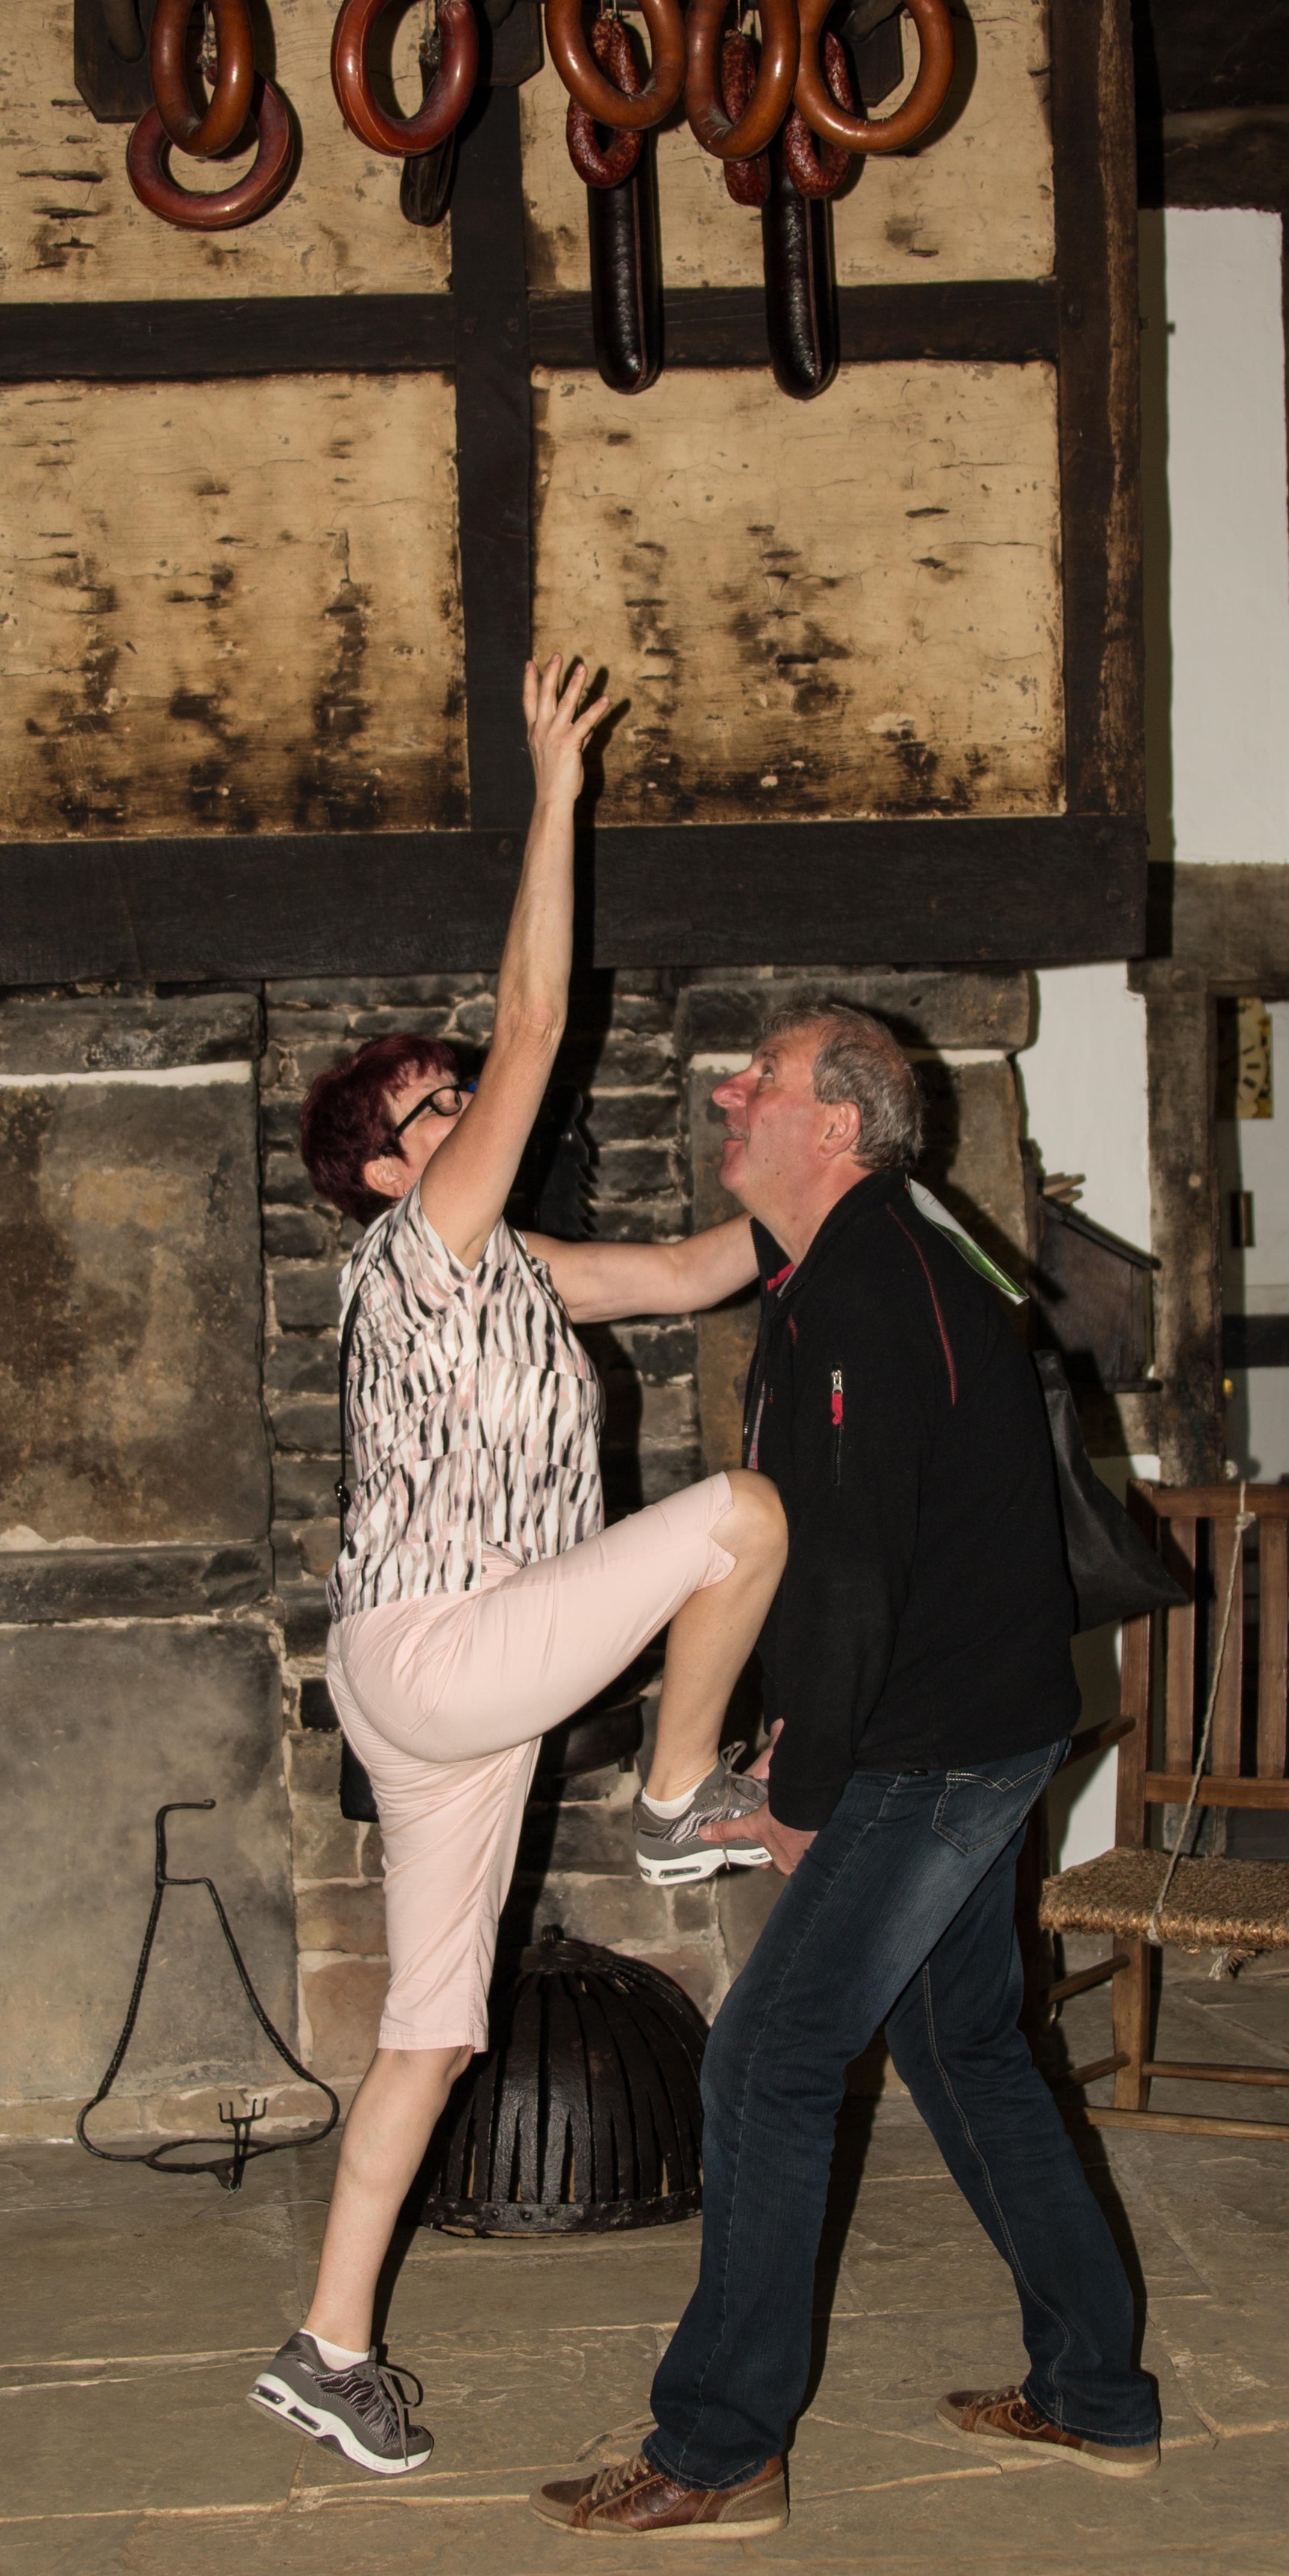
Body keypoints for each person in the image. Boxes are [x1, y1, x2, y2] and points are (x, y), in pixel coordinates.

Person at [248, 656, 786, 2476]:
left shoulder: (514, 1266)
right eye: (426, 1108)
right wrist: (555, 789)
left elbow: (698, 1269)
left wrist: (828, 1182)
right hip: (441, 1642)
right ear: (376, 1172)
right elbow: (539, 1018)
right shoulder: (415, 1246)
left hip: (431, 1688)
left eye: (448, 1097)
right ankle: (679, 1795)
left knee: (431, 2030)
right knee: (742, 1514)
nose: (461, 1109)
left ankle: (327, 2344)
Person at [533, 1003, 1160, 2545]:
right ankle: (1094, 2390)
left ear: (837, 1125)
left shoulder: (872, 1283)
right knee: (967, 2046)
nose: (726, 1093)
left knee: (764, 2063)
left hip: (936, 1747)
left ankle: (718, 2447)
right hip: (971, 1720)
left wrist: (803, 1789)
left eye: (762, 1079)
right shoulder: (857, 1252)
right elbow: (850, 1549)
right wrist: (796, 1738)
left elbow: (860, 1570)